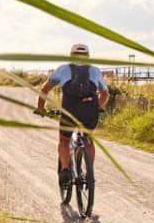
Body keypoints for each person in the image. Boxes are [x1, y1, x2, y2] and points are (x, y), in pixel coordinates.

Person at [35, 42, 109, 185]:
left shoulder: (63, 69)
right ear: (88, 57)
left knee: (64, 140)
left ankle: (65, 170)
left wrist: (41, 108)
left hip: (69, 112)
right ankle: (89, 173)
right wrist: (97, 107)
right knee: (89, 139)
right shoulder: (95, 70)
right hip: (90, 112)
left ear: (70, 56)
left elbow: (45, 89)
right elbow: (105, 94)